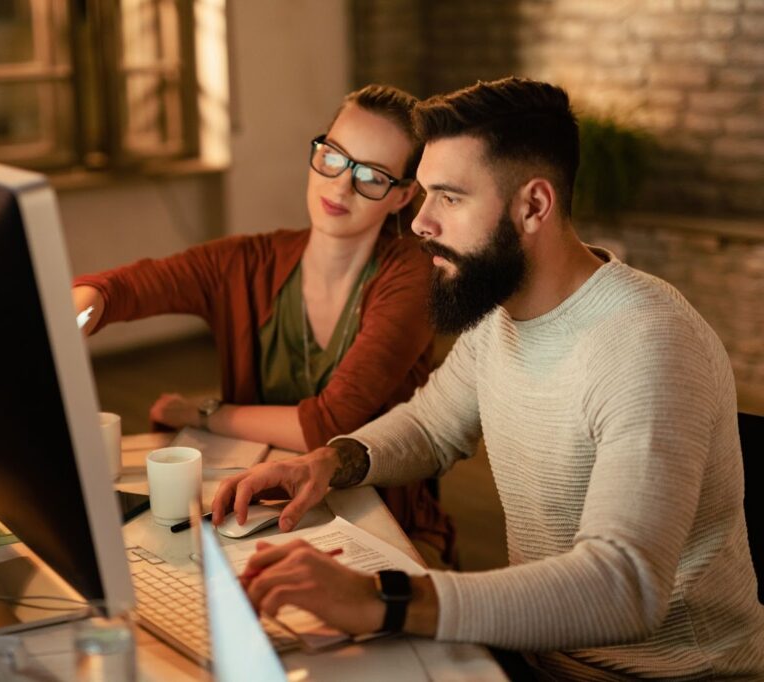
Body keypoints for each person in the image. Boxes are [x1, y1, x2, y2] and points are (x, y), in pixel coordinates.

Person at [212, 76, 764, 679]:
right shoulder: (501, 313)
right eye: (423, 195)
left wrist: (383, 601)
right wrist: (327, 461)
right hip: (538, 655)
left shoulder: (647, 344)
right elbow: (430, 425)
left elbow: (624, 585)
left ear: (533, 206)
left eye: (448, 198)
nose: (420, 223)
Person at [73, 85, 455, 563]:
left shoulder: (412, 277)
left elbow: (329, 425)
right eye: (334, 157)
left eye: (371, 176)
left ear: (402, 196)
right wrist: (86, 306)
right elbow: (126, 288)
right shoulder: (251, 261)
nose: (339, 186)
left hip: (374, 519)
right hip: (251, 507)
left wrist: (204, 413)